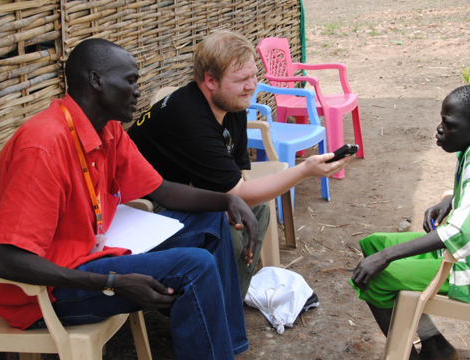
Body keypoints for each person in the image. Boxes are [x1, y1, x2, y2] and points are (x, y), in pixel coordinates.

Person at [0, 38, 260, 359]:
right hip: (43, 296)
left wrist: (226, 202)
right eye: (130, 81)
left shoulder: (109, 131)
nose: (138, 91)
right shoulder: (43, 146)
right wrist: (112, 281)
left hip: (92, 256)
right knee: (194, 266)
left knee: (212, 220)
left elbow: (162, 190)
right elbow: (3, 260)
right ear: (97, 81)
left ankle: (227, 347)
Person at [128, 30, 350, 297]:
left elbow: (238, 177)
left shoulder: (231, 105)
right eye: (242, 79)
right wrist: (305, 170)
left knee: (258, 213)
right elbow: (237, 194)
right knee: (228, 235)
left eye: (254, 75)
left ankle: (229, 300)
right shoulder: (191, 121)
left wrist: (232, 204)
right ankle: (202, 310)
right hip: (144, 206)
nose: (252, 85)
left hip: (183, 189)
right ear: (210, 80)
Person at [350, 84, 470, 360]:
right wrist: (454, 199)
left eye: (449, 125)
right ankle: (436, 345)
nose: (440, 129)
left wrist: (388, 256)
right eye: (442, 120)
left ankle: (407, 355)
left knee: (376, 277)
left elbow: (461, 232)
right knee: (373, 245)